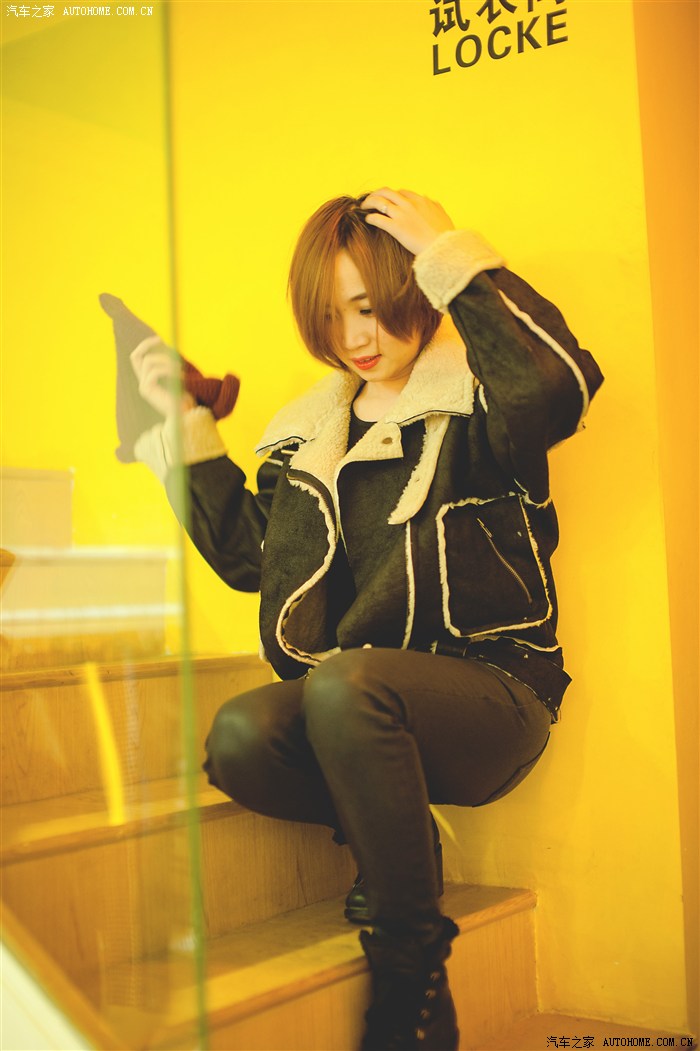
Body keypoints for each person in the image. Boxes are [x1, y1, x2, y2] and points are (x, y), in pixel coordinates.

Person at [118, 188, 603, 1051]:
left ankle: (412, 974)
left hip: (494, 699)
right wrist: (186, 424)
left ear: (418, 287)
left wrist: (450, 252)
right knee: (238, 737)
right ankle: (401, 839)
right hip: (360, 704)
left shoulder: (481, 402)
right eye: (332, 315)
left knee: (346, 683)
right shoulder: (311, 433)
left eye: (371, 306)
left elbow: (552, 389)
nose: (356, 336)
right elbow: (253, 560)